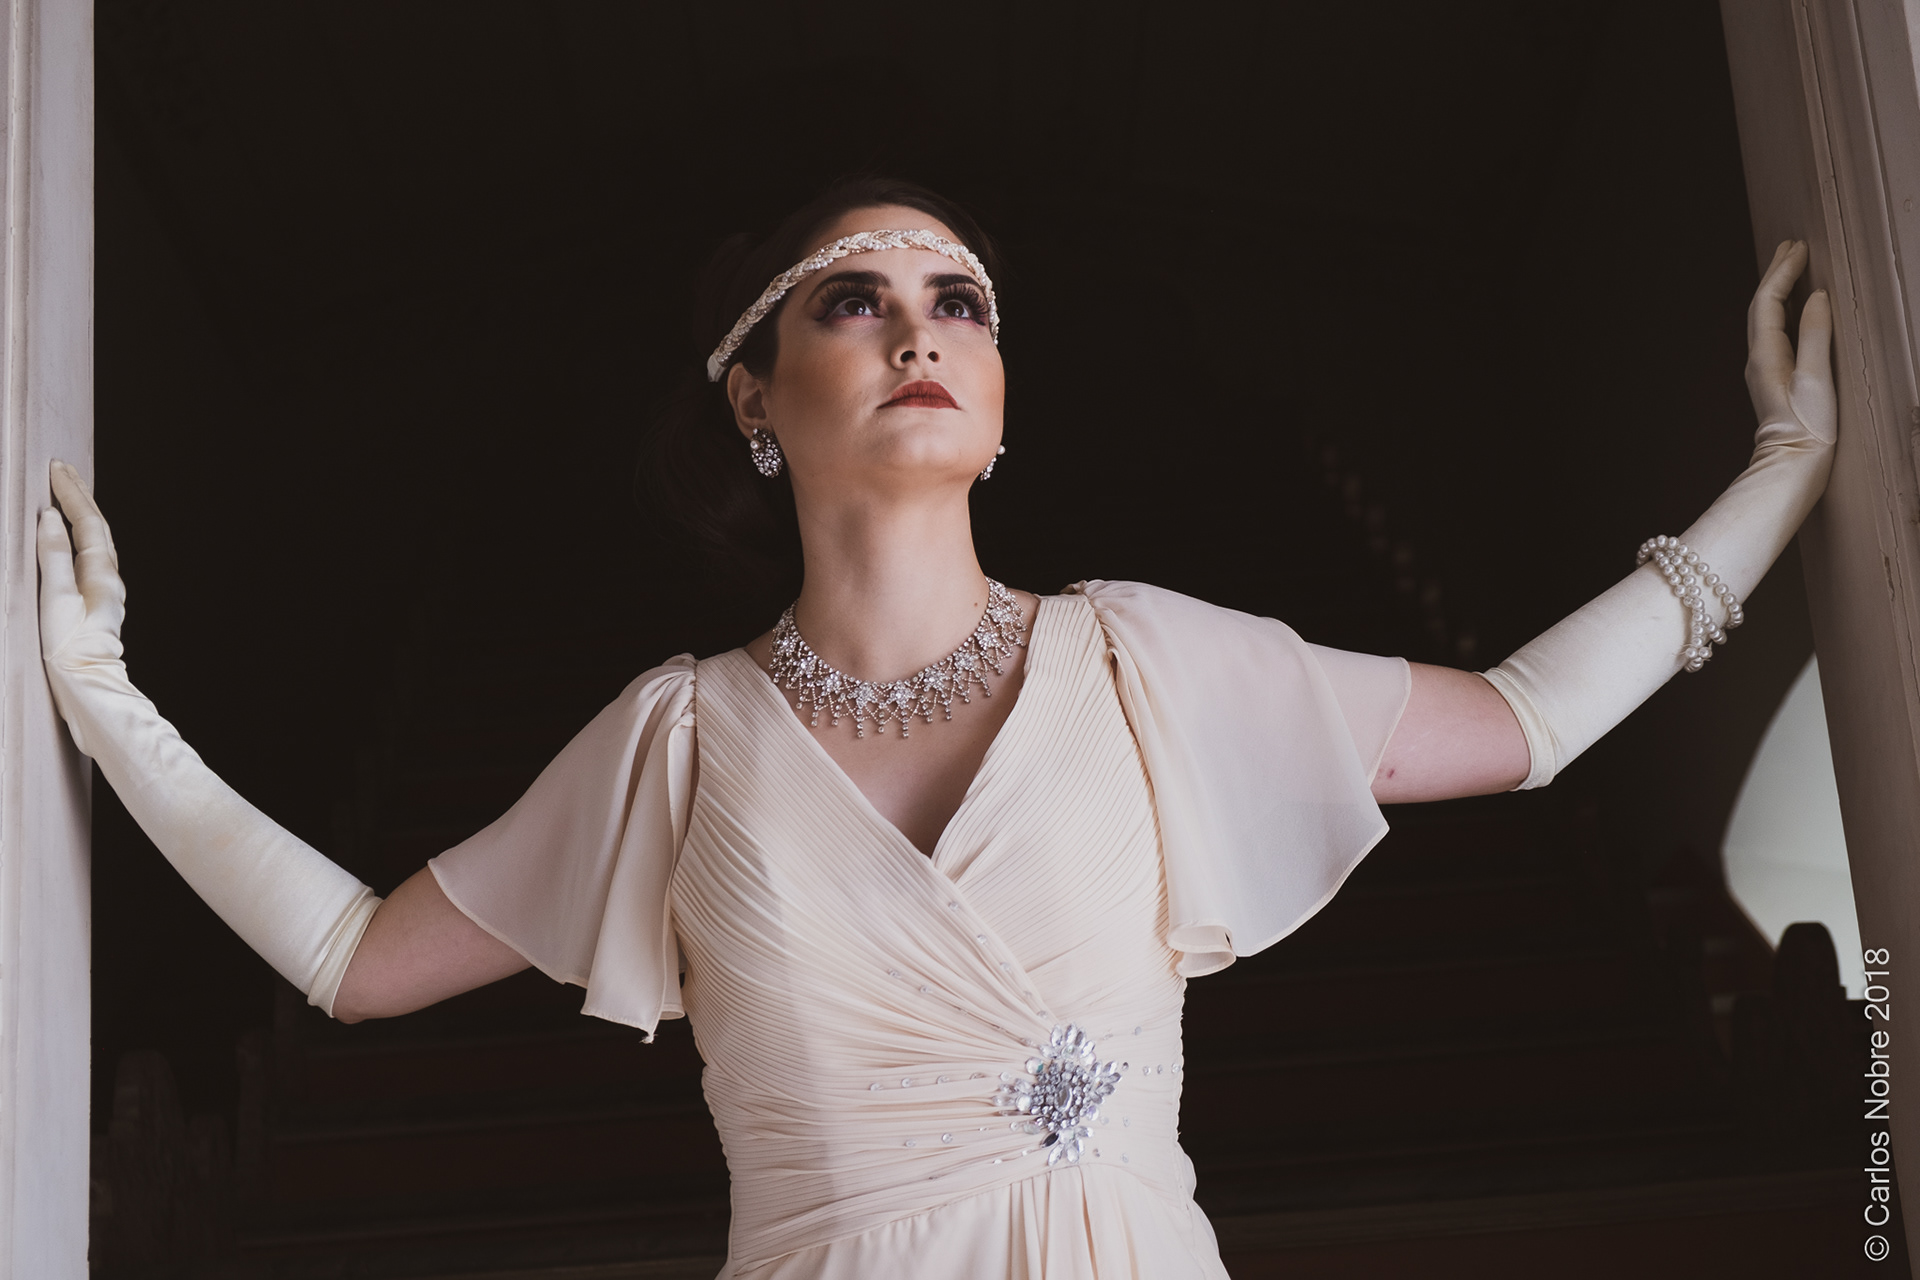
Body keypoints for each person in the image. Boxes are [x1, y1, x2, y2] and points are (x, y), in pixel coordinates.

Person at [40, 178, 1834, 1278]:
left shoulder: (1141, 662)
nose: (919, 333)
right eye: (857, 300)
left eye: (957, 304)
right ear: (756, 398)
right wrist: (105, 702)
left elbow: (1521, 720)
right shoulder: (681, 743)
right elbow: (355, 960)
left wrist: (1786, 464)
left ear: (997, 396)